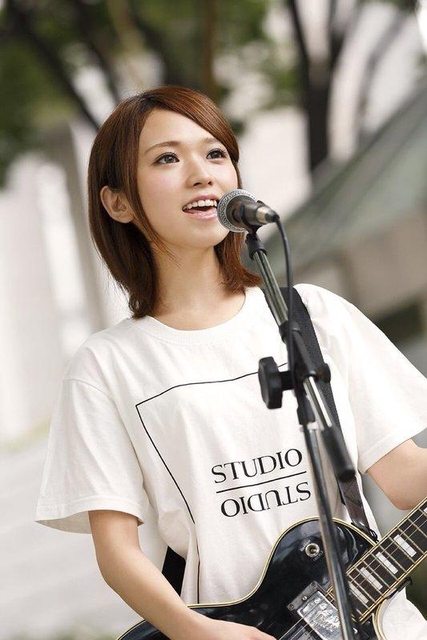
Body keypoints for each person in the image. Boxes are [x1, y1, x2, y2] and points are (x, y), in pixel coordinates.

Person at [36, 86, 427, 640]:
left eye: (215, 153)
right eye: (167, 158)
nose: (202, 174)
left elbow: (405, 479)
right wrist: (195, 631)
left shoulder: (313, 316)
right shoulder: (106, 366)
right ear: (118, 202)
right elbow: (117, 553)